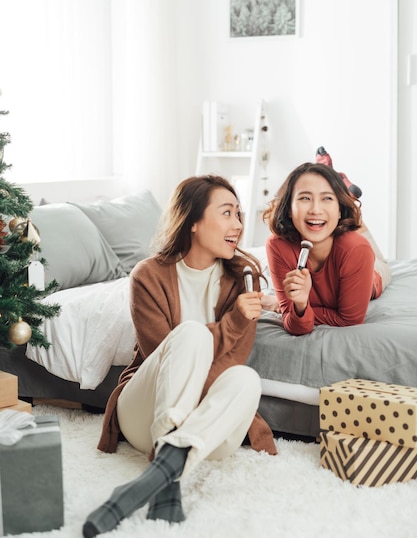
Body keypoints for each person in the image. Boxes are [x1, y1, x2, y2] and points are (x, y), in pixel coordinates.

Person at [82, 174, 277, 538]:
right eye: (227, 213)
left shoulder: (244, 278)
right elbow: (164, 357)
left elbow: (232, 362)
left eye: (239, 214)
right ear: (193, 222)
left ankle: (158, 474)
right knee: (189, 335)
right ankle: (167, 465)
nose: (238, 224)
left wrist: (237, 320)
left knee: (245, 379)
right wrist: (231, 322)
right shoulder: (148, 276)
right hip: (147, 414)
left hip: (209, 432)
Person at [263, 158, 391, 336]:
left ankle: (347, 200)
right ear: (289, 209)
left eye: (327, 198)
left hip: (373, 274)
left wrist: (299, 310)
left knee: (378, 259)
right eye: (305, 198)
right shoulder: (277, 246)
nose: (315, 209)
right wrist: (300, 305)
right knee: (334, 223)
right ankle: (337, 191)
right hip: (336, 230)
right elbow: (294, 323)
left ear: (339, 210)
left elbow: (349, 320)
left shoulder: (357, 249)